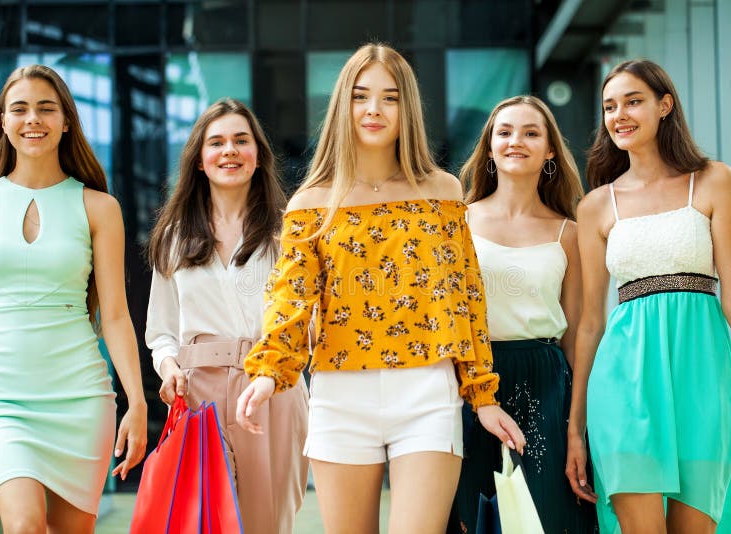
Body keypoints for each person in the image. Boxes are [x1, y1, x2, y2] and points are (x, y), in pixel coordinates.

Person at [235, 42, 525, 534]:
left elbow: (466, 298)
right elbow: (291, 297)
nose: (374, 110)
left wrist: (483, 394)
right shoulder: (313, 200)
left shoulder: (442, 191)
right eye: (360, 96)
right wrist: (269, 372)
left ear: (406, 107)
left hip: (428, 391)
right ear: (342, 105)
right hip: (340, 393)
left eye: (389, 97)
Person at [566, 59, 731, 534]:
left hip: (702, 380)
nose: (619, 114)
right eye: (609, 106)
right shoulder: (596, 205)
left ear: (665, 105)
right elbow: (589, 323)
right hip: (623, 386)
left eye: (633, 101)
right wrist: (574, 429)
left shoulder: (713, 181)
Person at [0, 64, 147, 533]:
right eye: (19, 109)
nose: (32, 119)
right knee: (24, 526)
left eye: (45, 108)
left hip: (79, 397)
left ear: (66, 121)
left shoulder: (99, 207)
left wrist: (136, 401)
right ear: (2, 121)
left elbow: (115, 314)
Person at [146, 97, 309, 533]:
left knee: (268, 522)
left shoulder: (289, 231)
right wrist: (168, 369)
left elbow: (306, 323)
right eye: (216, 142)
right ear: (200, 160)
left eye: (242, 140)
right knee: (204, 521)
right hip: (200, 396)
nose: (230, 150)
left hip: (274, 388)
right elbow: (160, 331)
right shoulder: (174, 236)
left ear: (259, 156)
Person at [449, 95, 597, 533]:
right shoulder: (458, 220)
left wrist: (578, 426)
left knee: (544, 518)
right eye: (505, 132)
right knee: (469, 517)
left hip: (546, 385)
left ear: (550, 150)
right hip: (467, 385)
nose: (517, 141)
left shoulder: (569, 233)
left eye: (532, 133)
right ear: (489, 147)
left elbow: (576, 336)